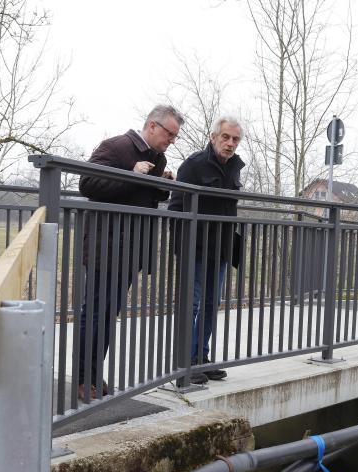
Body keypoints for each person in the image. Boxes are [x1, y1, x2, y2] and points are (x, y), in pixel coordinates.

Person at [76, 104, 183, 401]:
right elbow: (87, 183)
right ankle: (84, 378)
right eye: (169, 134)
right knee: (96, 313)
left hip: (130, 251)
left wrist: (163, 185)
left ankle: (95, 374)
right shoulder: (115, 147)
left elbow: (144, 197)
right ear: (152, 126)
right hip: (104, 247)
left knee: (109, 314)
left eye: (175, 136)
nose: (172, 140)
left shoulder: (157, 158)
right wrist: (129, 172)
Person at [168, 117, 245, 385]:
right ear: (213, 138)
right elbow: (176, 206)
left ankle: (201, 357)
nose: (230, 143)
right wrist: (183, 245)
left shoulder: (235, 167)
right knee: (193, 304)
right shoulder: (194, 165)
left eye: (235, 139)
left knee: (212, 304)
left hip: (221, 248)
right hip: (196, 248)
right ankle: (185, 363)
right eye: (225, 137)